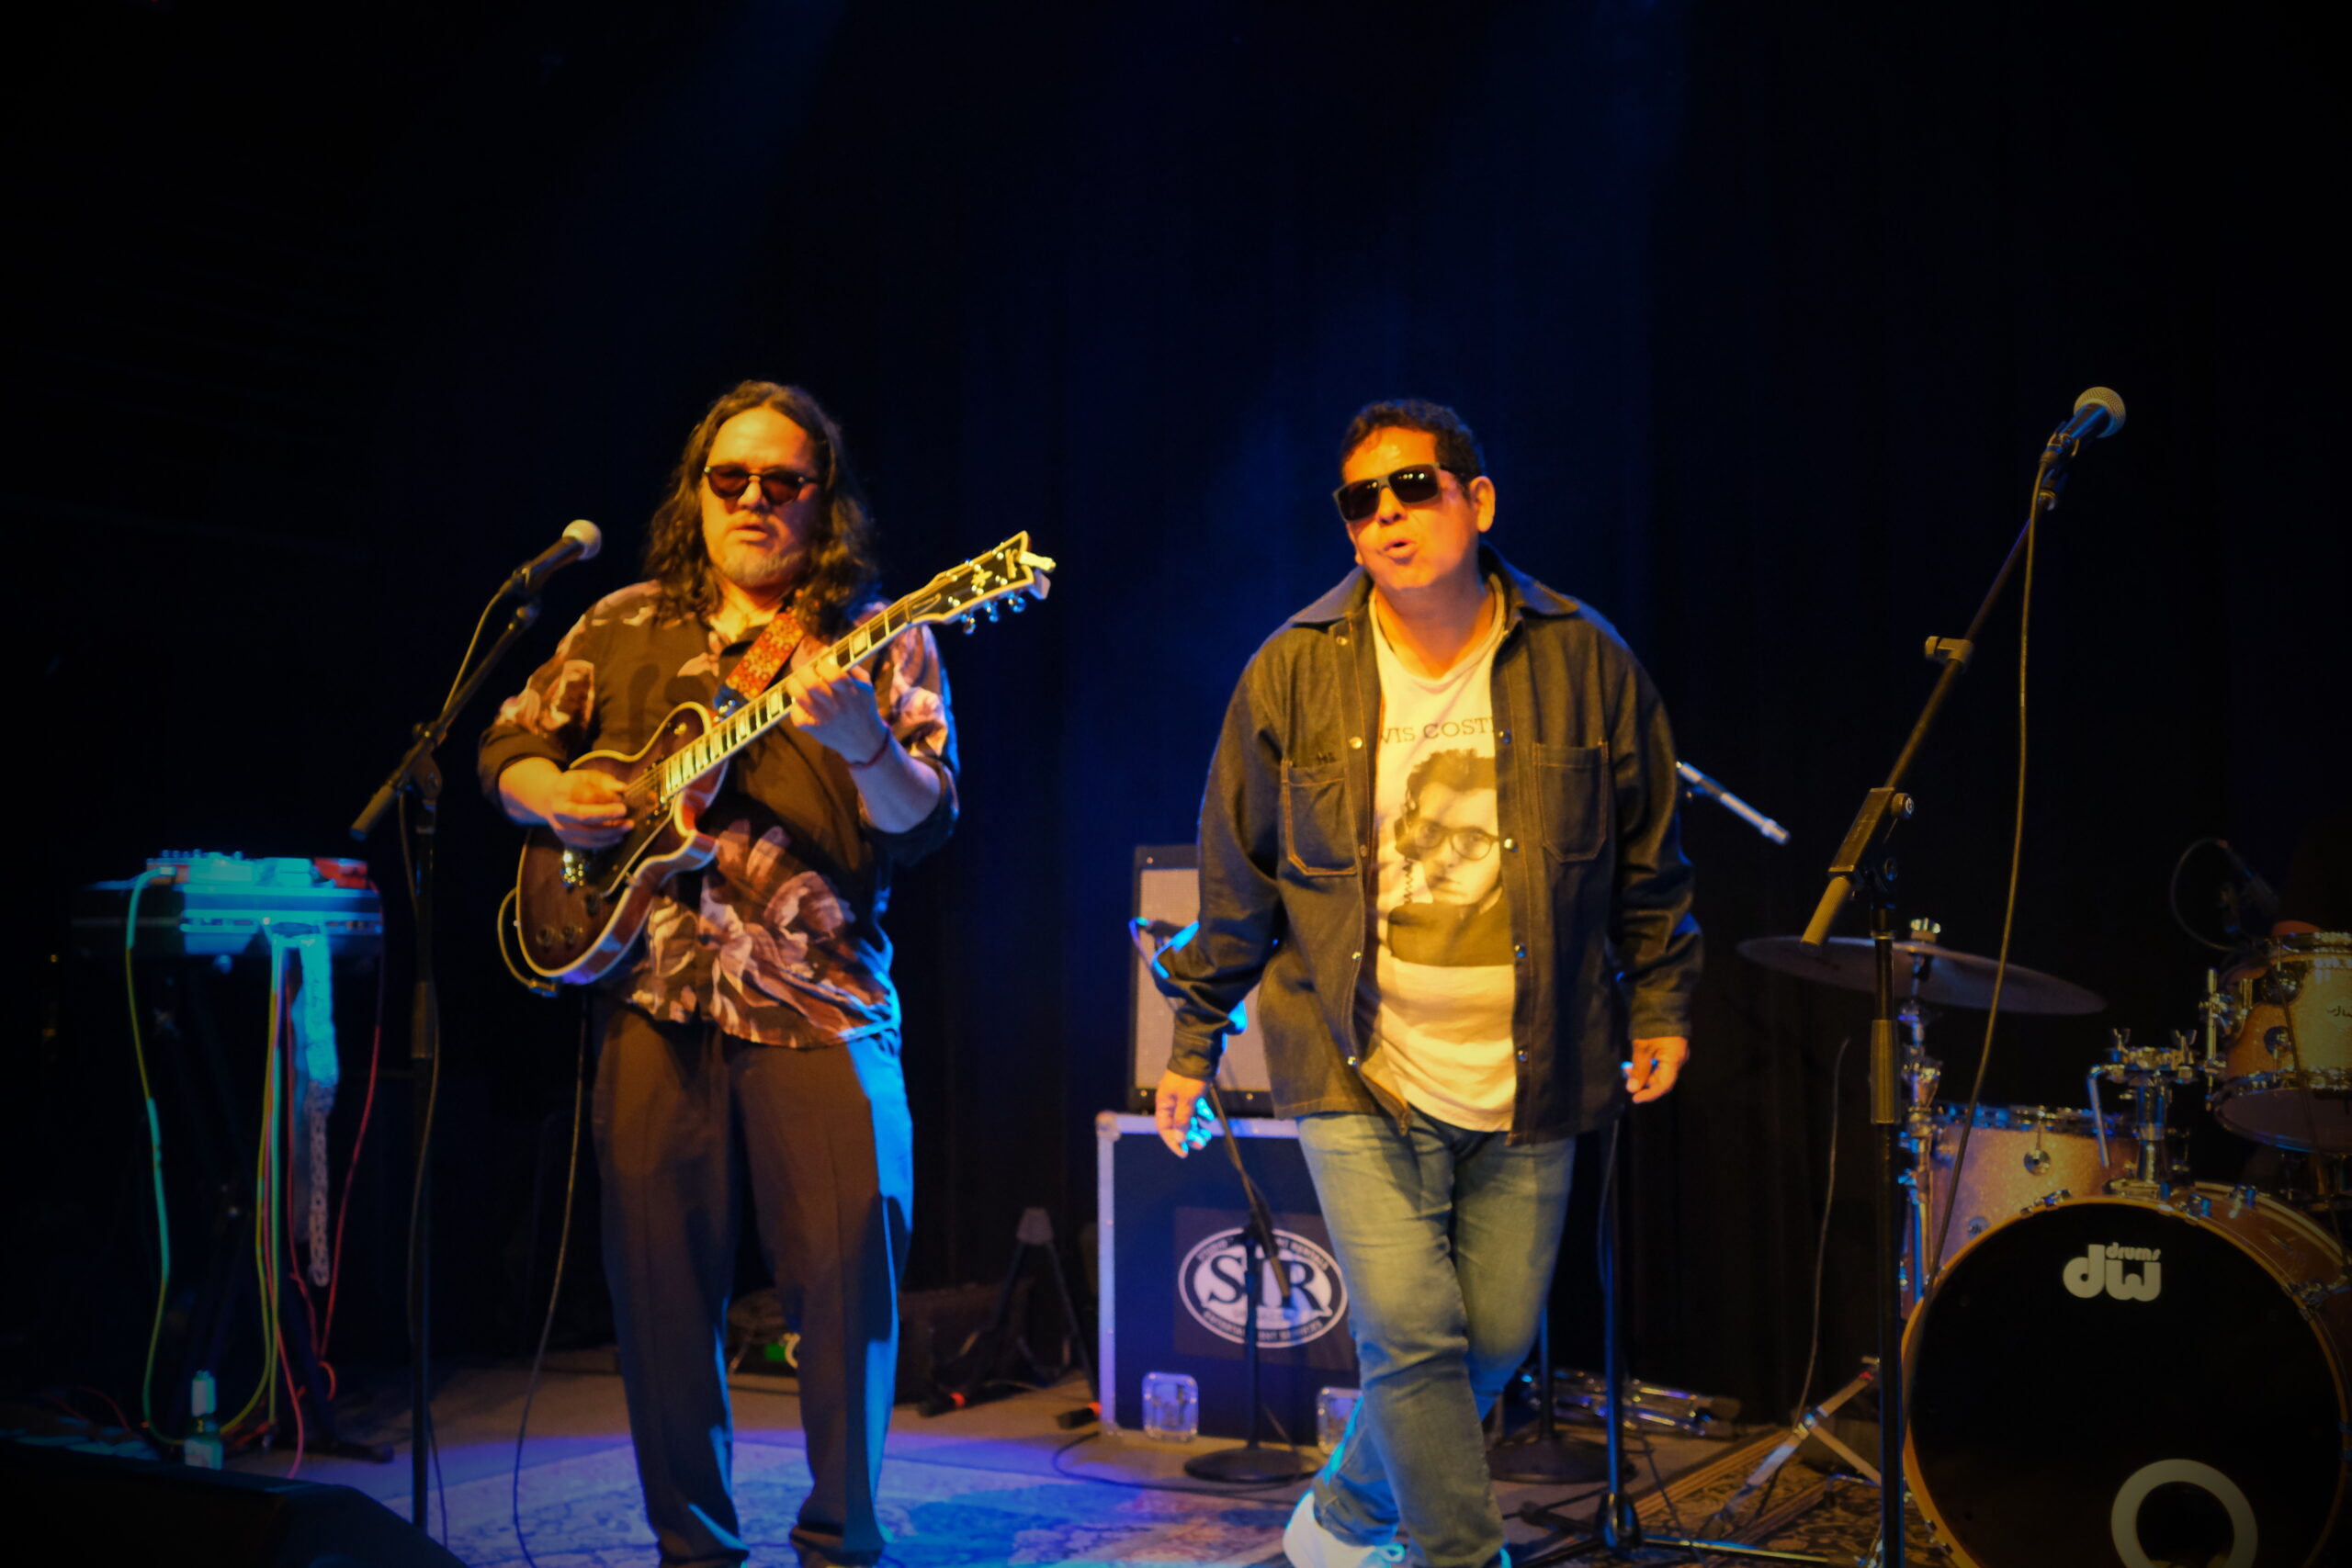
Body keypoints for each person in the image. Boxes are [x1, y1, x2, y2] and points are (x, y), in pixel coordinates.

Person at [1150, 400, 1700, 1568]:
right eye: (1362, 502)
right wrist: (1191, 1042)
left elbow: (1649, 857)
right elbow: (1236, 878)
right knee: (1409, 1332)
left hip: (1533, 1063)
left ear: (1476, 500)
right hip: (1355, 1057)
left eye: (1414, 488)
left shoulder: (1582, 657)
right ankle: (1460, 1554)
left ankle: (1347, 1515)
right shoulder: (1292, 668)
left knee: (1490, 1340)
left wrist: (1659, 1001)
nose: (1387, 516)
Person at [479, 380, 956, 1568]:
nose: (752, 499)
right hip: (648, 995)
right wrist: (554, 794)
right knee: (657, 1297)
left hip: (820, 1003)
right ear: (695, 491)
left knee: (847, 1293)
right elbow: (508, 743)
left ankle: (842, 1543)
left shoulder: (876, 633)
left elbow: (926, 816)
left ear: (820, 499)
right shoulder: (623, 621)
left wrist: (862, 741)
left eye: (781, 481)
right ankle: (691, 1547)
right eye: (728, 477)